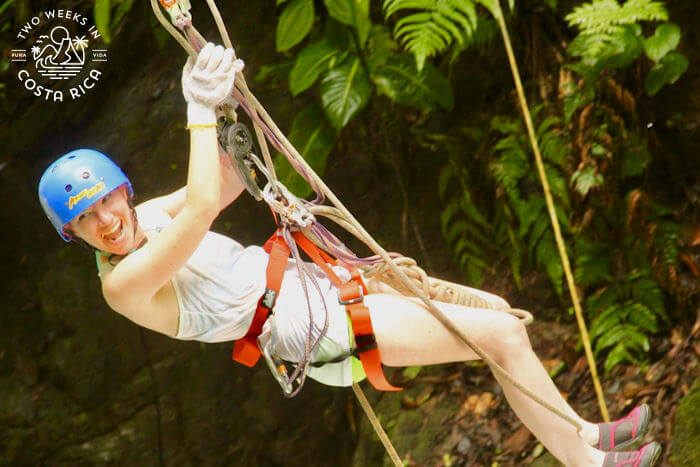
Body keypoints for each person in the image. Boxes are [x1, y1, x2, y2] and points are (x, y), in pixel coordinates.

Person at [38, 43, 661, 467]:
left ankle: (584, 435)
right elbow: (201, 206)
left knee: (495, 314)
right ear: (73, 235)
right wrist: (196, 109)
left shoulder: (147, 218)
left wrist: (228, 104)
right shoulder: (123, 285)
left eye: (105, 201)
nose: (105, 222)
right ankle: (590, 462)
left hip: (317, 283)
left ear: (124, 190)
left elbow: (225, 185)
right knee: (502, 336)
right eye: (85, 220)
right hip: (310, 324)